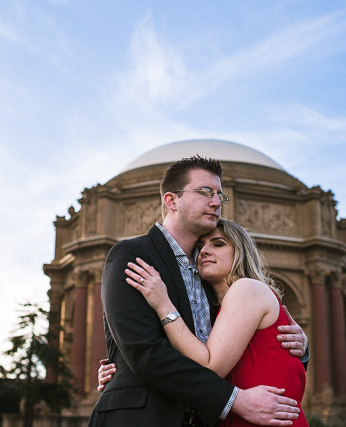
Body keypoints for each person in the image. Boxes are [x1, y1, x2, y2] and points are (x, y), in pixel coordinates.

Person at [88, 156, 307, 427]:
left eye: (220, 196)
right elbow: (144, 351)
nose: (216, 202)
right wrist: (234, 400)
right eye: (205, 192)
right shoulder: (133, 255)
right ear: (171, 201)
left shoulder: (212, 277)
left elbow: (240, 349)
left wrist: (296, 345)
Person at [125, 219, 308, 427]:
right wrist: (122, 369)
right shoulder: (218, 311)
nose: (204, 251)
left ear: (240, 251)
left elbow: (209, 369)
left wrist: (163, 304)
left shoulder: (246, 289)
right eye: (200, 246)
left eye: (218, 243)